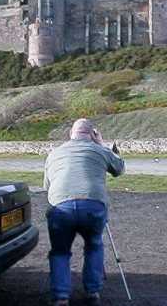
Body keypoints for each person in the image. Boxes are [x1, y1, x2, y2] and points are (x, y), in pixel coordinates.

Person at [43, 118, 125, 306]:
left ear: (70, 134)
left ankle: (61, 297)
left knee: (60, 252)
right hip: (93, 206)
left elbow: (47, 186)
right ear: (92, 134)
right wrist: (102, 144)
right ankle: (92, 292)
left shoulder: (54, 154)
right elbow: (119, 168)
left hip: (61, 207)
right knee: (94, 245)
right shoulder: (100, 150)